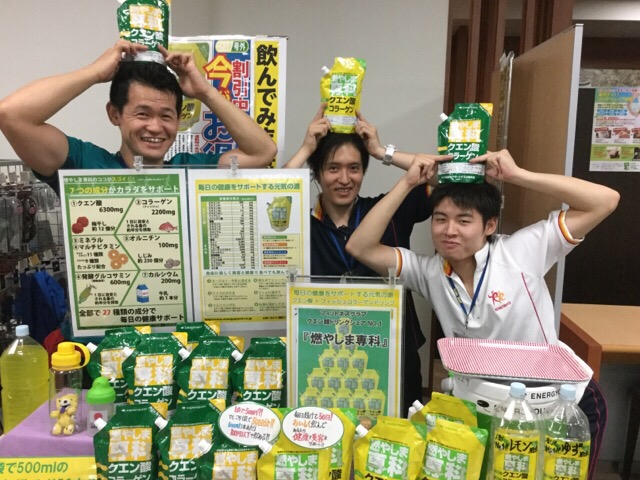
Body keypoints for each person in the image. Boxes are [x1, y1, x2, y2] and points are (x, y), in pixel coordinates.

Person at [346, 149, 619, 476]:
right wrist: (407, 183)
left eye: (464, 220)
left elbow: (606, 200)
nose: (449, 230)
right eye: (440, 219)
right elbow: (359, 247)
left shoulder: (521, 251)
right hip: (487, 408)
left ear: (489, 225)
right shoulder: (429, 272)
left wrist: (518, 176)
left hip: (560, 406)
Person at [284, 103, 451, 414]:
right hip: (324, 355)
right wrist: (306, 148)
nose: (344, 178)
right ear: (317, 173)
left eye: (354, 168)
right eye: (333, 168)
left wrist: (381, 151)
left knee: (397, 434)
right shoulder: (301, 226)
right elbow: (267, 198)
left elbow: (449, 176)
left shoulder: (389, 210)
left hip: (393, 351)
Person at [0, 40, 276, 186]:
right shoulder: (85, 164)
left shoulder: (191, 169)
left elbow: (262, 152)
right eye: (142, 114)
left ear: (178, 119)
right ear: (115, 114)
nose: (155, 127)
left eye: (166, 115)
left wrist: (206, 92)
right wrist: (93, 73)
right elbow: (11, 114)